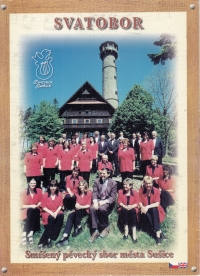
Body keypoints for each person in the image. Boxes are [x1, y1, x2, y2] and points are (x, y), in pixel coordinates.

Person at [56, 180, 92, 247]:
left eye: (82, 185)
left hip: (85, 211)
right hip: (78, 211)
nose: (81, 186)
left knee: (78, 209)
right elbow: (76, 203)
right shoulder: (77, 193)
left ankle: (78, 226)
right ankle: (65, 236)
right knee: (70, 216)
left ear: (85, 186)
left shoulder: (89, 193)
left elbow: (89, 205)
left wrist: (80, 206)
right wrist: (77, 205)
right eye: (80, 185)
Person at [89, 168, 117, 243]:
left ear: (108, 174)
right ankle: (95, 230)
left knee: (102, 209)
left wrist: (104, 202)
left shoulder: (113, 183)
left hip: (107, 200)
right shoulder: (96, 181)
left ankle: (105, 227)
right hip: (98, 199)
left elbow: (113, 197)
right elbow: (94, 192)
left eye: (104, 173)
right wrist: (95, 201)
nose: (102, 175)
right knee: (92, 208)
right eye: (101, 173)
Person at [139, 176, 166, 245]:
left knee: (154, 210)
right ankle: (159, 232)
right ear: (144, 183)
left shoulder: (156, 190)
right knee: (147, 212)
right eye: (147, 183)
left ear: (152, 183)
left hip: (156, 210)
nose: (148, 185)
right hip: (145, 209)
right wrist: (142, 207)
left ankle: (157, 234)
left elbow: (157, 204)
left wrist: (147, 206)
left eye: (150, 183)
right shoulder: (141, 190)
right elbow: (139, 201)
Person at [38, 180, 64, 249]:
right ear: (49, 187)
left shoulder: (60, 194)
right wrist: (52, 213)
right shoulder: (45, 194)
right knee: (51, 218)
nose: (53, 188)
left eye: (54, 186)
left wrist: (55, 212)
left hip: (57, 211)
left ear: (57, 187)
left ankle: (52, 237)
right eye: (51, 186)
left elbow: (60, 205)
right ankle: (43, 241)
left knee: (61, 215)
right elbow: (43, 207)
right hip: (47, 212)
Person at [20, 178, 42, 245]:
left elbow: (42, 201)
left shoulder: (39, 191)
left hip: (37, 210)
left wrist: (38, 204)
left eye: (34, 183)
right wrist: (31, 206)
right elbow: (21, 206)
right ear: (29, 183)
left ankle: (26, 233)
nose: (33, 185)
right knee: (32, 210)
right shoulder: (24, 193)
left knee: (35, 210)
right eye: (31, 183)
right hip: (27, 210)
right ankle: (29, 233)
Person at [117, 178, 139, 242]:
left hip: (133, 207)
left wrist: (131, 206)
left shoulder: (135, 192)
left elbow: (137, 203)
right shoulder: (120, 191)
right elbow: (119, 201)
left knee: (132, 211)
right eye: (124, 184)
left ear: (131, 186)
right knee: (124, 210)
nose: (124, 186)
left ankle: (133, 231)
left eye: (126, 185)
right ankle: (126, 229)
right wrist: (124, 206)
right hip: (123, 207)